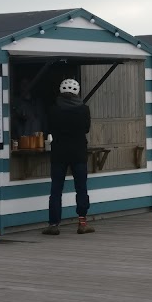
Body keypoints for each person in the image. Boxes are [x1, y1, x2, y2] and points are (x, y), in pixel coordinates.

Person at [42, 78, 95, 235]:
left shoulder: (53, 109)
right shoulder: (84, 109)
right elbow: (86, 129)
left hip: (59, 153)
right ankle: (82, 223)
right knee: (81, 188)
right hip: (78, 152)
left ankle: (53, 225)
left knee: (56, 189)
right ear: (77, 91)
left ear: (61, 91)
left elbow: (49, 128)